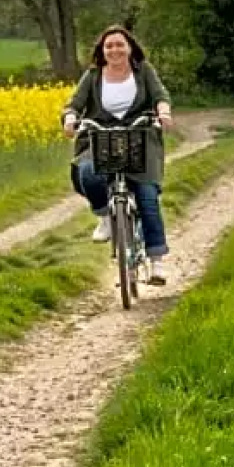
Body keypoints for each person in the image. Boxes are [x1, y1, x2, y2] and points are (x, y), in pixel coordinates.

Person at [61, 24, 174, 285]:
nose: (114, 50)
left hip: (140, 139)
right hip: (101, 138)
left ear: (130, 47)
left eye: (119, 44)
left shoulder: (144, 71)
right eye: (109, 45)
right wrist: (69, 119)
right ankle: (104, 218)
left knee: (146, 198)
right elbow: (74, 104)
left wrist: (164, 113)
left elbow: (160, 95)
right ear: (102, 50)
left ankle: (157, 263)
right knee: (88, 172)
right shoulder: (92, 76)